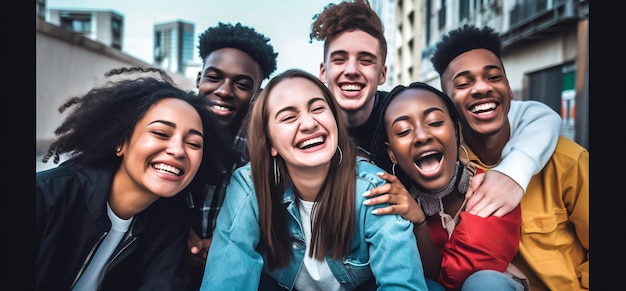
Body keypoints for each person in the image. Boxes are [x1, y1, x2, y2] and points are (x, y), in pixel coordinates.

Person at [309, 0, 562, 219]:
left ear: (383, 73)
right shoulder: (307, 124)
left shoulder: (401, 110)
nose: (352, 70)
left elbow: (536, 116)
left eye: (366, 60)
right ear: (323, 71)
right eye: (339, 59)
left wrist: (514, 172)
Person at [199, 69, 428, 290]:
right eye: (289, 117)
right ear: (270, 144)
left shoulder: (372, 185)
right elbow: (227, 276)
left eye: (317, 108)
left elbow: (402, 284)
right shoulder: (249, 185)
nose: (309, 124)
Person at [36, 67, 234, 290]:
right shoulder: (45, 197)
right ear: (120, 142)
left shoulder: (171, 222)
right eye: (160, 133)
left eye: (194, 144)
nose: (178, 150)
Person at [430, 24, 589, 290]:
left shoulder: (567, 161)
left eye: (493, 77)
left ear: (510, 90)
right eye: (464, 83)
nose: (481, 88)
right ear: (447, 102)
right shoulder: (443, 171)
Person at [369, 82, 528, 290]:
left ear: (456, 131)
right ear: (392, 154)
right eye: (403, 130)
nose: (422, 136)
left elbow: (456, 277)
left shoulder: (495, 187)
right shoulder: (396, 204)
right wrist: (419, 222)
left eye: (434, 122)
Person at [187, 22, 278, 290]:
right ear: (198, 79)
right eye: (214, 77)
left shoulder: (264, 146)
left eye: (241, 84)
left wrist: (227, 243)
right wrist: (180, 232)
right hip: (168, 258)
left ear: (258, 93)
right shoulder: (171, 130)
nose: (224, 91)